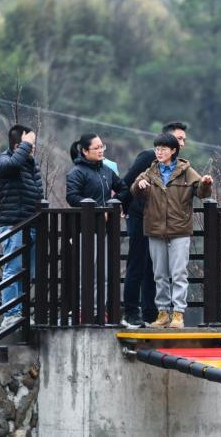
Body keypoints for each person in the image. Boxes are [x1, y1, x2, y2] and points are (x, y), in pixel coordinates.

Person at [131, 132, 213, 329]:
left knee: (178, 273)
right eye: (157, 149)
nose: (159, 152)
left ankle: (178, 314)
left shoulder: (186, 170)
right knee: (159, 274)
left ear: (173, 151)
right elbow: (135, 189)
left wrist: (205, 184)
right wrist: (139, 185)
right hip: (155, 229)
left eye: (164, 149)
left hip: (179, 229)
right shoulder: (150, 172)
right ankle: (162, 313)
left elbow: (201, 192)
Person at [121, 122, 188, 328]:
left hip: (162, 224)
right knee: (137, 264)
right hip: (141, 218)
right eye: (179, 138)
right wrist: (124, 207)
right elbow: (126, 183)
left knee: (155, 268)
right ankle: (131, 311)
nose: (182, 143)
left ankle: (152, 314)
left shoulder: (179, 166)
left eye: (183, 140)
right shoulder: (148, 157)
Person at [66, 133, 128, 322]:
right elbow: (72, 197)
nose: (101, 150)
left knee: (105, 273)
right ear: (85, 151)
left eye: (103, 147)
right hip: (85, 230)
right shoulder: (76, 172)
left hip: (107, 230)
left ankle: (101, 309)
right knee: (87, 273)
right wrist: (95, 209)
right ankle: (83, 310)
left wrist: (112, 204)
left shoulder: (107, 171)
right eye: (97, 148)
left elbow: (123, 189)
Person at [0, 124, 44, 327]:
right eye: (30, 145)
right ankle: (11, 315)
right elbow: (13, 165)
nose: (33, 148)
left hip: (31, 223)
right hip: (14, 226)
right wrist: (26, 143)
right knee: (13, 269)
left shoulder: (31, 164)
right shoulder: (4, 160)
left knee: (29, 272)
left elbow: (38, 194)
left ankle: (23, 312)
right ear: (19, 145)